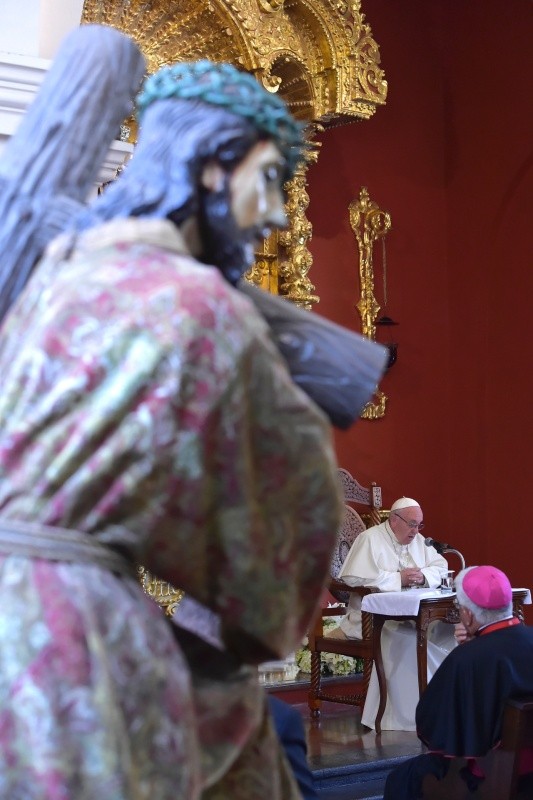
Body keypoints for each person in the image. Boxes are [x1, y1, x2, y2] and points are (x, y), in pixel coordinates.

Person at [0, 58, 345, 799]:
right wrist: (260, 619)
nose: (278, 215)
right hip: (71, 634)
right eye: (268, 180)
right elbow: (292, 501)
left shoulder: (51, 280)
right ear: (213, 167)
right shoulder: (203, 306)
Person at [384, 565, 533, 799]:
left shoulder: (465, 659)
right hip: (527, 772)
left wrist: (471, 648)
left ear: (468, 615)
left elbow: (430, 725)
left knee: (401, 779)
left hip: (491, 773)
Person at [327, 496, 455, 730]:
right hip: (373, 619)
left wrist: (423, 576)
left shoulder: (419, 541)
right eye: (412, 524)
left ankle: (444, 704)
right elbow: (353, 577)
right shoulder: (370, 539)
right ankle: (409, 715)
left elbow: (440, 566)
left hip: (414, 616)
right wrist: (398, 579)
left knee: (448, 631)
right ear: (394, 520)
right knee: (408, 640)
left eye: (419, 525)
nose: (416, 531)